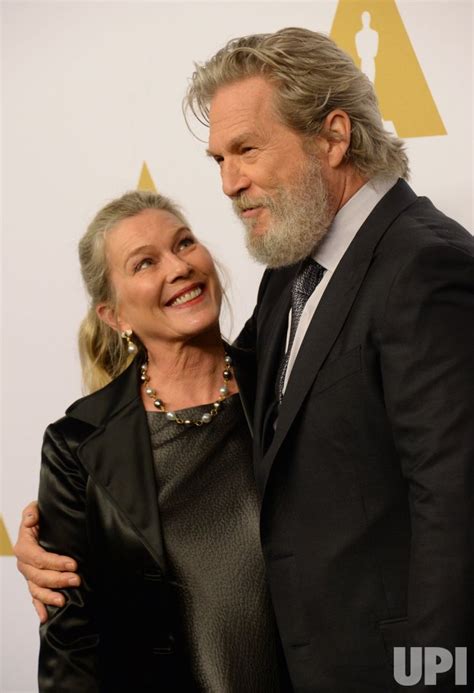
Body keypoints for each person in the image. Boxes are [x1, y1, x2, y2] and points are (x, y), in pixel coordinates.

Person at [16, 28, 474, 691]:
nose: (229, 183)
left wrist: (432, 680)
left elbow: (456, 512)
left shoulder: (425, 266)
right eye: (218, 160)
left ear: (334, 136)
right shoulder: (290, 274)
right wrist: (57, 549)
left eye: (247, 150)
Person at [29, 189, 285, 692]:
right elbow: (70, 649)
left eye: (184, 244)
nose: (178, 267)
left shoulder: (287, 383)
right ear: (115, 316)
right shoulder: (77, 446)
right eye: (145, 263)